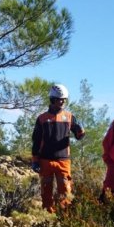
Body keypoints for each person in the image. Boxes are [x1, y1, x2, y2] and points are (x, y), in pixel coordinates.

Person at [31, 84, 85, 212]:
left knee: (65, 191)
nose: (62, 102)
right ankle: (47, 216)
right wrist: (35, 160)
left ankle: (64, 217)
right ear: (52, 99)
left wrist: (81, 130)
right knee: (46, 192)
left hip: (63, 161)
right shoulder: (42, 118)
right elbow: (36, 140)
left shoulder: (69, 116)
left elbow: (79, 136)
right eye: (60, 99)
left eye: (64, 100)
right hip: (45, 161)